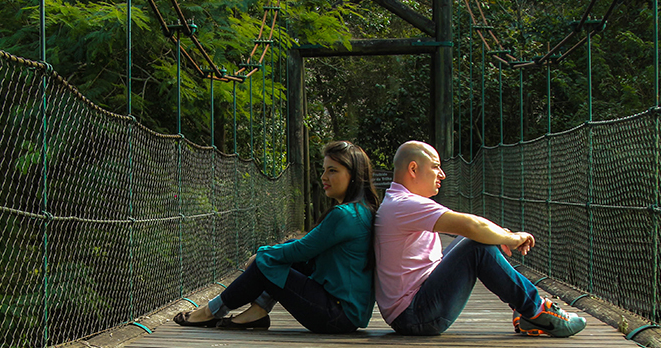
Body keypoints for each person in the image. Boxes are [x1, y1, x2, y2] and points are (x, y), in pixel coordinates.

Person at [375, 140, 586, 337]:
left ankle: (527, 312)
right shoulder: (404, 204)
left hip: (412, 310)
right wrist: (511, 238)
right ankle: (537, 311)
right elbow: (472, 226)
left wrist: (495, 235)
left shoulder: (397, 202)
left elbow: (472, 230)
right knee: (476, 246)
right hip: (415, 315)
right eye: (435, 167)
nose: (442, 174)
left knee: (471, 240)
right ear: (413, 169)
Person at [174, 140, 378, 333]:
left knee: (268, 261)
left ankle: (211, 311)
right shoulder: (362, 210)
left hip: (337, 315)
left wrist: (261, 255)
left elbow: (302, 250)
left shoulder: (344, 215)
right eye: (324, 170)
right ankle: (256, 312)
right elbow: (301, 249)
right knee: (283, 251)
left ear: (353, 175)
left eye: (332, 170)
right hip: (347, 312)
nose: (324, 177)